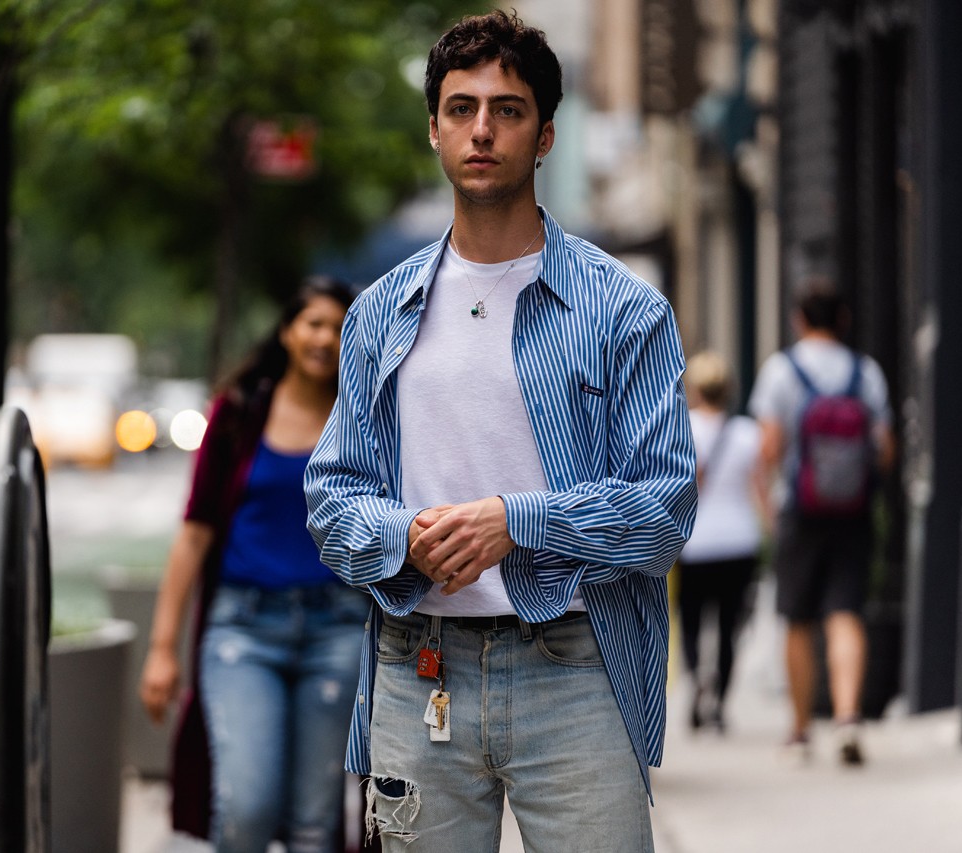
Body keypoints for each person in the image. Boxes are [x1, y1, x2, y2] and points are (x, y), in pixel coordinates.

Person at [304, 11, 697, 851]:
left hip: (577, 668)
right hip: (420, 670)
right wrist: (401, 534)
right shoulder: (380, 313)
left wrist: (514, 521)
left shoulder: (623, 309)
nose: (482, 128)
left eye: (508, 109)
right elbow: (334, 497)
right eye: (461, 108)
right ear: (436, 128)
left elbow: (664, 511)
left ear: (546, 133)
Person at [139, 276, 367, 853]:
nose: (326, 338)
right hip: (243, 630)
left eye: (339, 328)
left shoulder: (364, 417)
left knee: (317, 823)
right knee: (246, 808)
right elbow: (194, 534)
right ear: (288, 331)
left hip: (337, 630)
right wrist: (163, 649)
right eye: (313, 323)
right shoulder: (239, 413)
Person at [748, 280, 894, 765]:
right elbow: (886, 450)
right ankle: (849, 717)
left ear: (799, 320)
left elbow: (769, 448)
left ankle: (800, 727)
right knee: (845, 613)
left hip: (800, 511)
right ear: (844, 320)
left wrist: (769, 504)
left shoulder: (782, 371)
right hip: (852, 513)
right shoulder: (865, 372)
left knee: (797, 618)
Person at [677, 351, 767, 732]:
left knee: (692, 621)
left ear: (695, 388)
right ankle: (721, 704)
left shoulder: (683, 428)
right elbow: (760, 491)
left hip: (693, 543)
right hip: (739, 542)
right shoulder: (748, 432)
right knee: (730, 626)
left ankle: (697, 672)